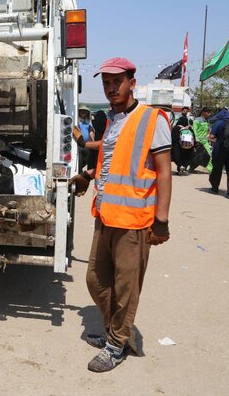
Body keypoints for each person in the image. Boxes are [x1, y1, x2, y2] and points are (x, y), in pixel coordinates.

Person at [70, 57, 172, 373]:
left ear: (131, 82)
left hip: (136, 220)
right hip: (106, 215)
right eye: (106, 83)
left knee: (126, 287)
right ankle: (119, 332)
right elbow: (114, 159)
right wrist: (88, 173)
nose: (111, 87)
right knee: (96, 280)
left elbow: (164, 172)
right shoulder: (114, 120)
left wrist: (162, 220)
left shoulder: (152, 119)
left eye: (117, 81)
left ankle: (116, 344)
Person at [192, 107, 213, 172]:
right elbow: (194, 130)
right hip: (199, 141)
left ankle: (211, 170)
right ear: (203, 112)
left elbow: (208, 131)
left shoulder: (207, 121)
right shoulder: (197, 120)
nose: (209, 114)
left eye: (210, 113)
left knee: (208, 155)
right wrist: (196, 140)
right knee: (197, 156)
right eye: (208, 112)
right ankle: (191, 168)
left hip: (205, 142)